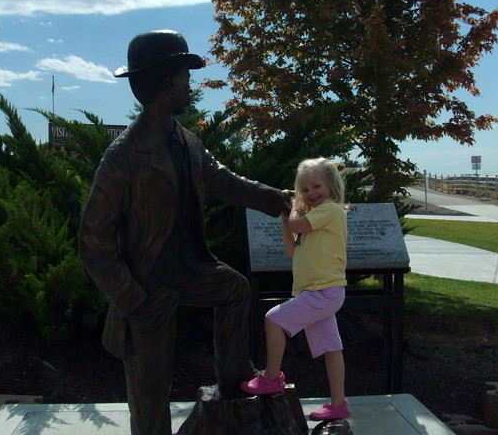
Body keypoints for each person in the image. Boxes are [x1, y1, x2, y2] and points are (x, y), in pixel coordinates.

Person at [78, 29, 290, 435]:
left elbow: (224, 180)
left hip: (193, 270)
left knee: (233, 289)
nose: (190, 85)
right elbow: (93, 239)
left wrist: (274, 198)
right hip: (148, 285)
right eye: (186, 77)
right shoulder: (123, 155)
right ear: (169, 81)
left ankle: (234, 379)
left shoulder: (188, 141)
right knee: (150, 389)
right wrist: (130, 297)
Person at [240, 157, 351, 421]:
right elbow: (291, 249)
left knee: (273, 319)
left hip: (322, 292)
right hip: (319, 292)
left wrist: (293, 207)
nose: (311, 193)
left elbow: (296, 223)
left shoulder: (331, 210)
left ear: (332, 186)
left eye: (316, 186)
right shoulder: (314, 218)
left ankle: (271, 378)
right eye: (305, 190)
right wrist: (283, 212)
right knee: (331, 349)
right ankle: (338, 405)